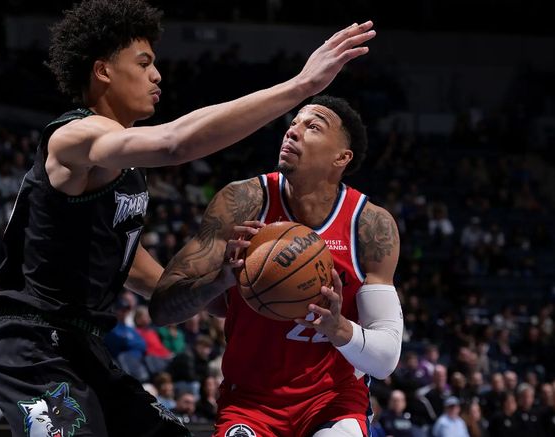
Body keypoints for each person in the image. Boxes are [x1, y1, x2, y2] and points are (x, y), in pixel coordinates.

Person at [0, 0, 377, 436]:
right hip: (33, 347)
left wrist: (227, 286)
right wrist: (301, 86)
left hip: (84, 346)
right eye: (144, 63)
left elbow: (135, 267)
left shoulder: (123, 169)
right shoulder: (73, 137)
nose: (157, 75)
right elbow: (175, 143)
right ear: (103, 71)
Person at [151, 94, 403, 436]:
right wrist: (221, 280)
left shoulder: (369, 225)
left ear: (341, 157)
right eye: (294, 122)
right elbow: (162, 309)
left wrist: (338, 328)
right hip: (250, 402)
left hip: (333, 401)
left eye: (313, 127)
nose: (293, 131)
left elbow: (386, 360)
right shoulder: (242, 201)